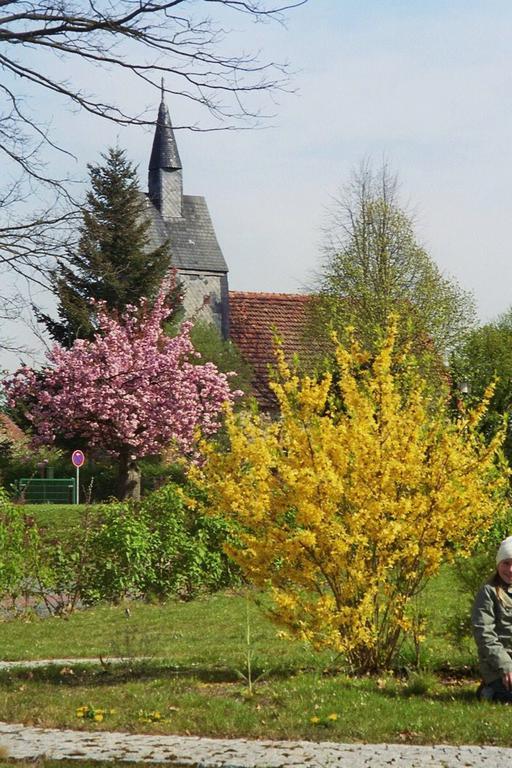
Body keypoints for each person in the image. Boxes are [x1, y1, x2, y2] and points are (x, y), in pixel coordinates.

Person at [472, 536, 512, 702]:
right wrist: (506, 666)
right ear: (498, 564)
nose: (510, 569)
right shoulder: (488, 592)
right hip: (499, 666)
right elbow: (484, 634)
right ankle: (489, 691)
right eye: (506, 563)